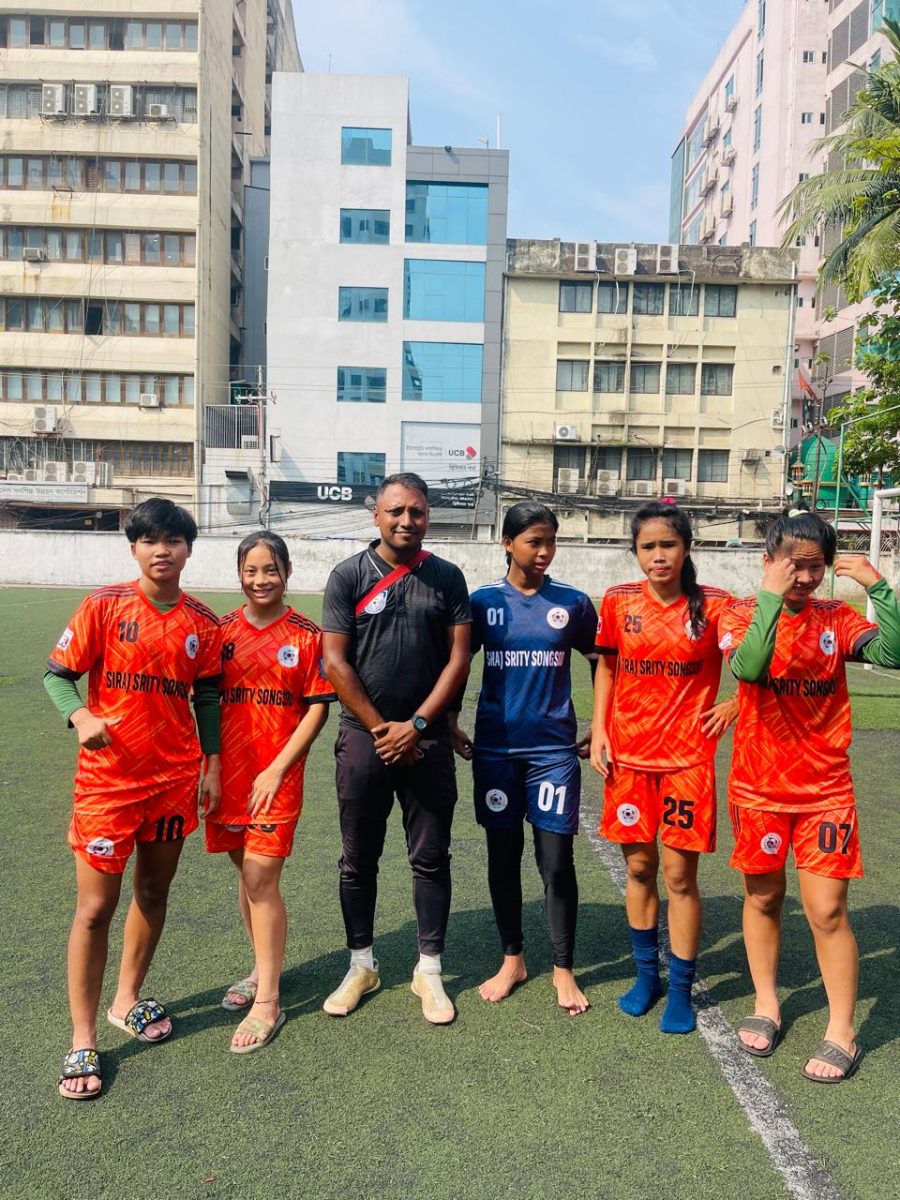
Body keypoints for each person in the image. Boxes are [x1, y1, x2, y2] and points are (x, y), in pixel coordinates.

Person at [44, 498, 221, 1099]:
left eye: (173, 540)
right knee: (95, 908)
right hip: (108, 783)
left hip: (172, 780)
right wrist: (80, 716)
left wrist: (212, 764)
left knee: (153, 891)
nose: (162, 550)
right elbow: (57, 675)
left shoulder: (202, 623)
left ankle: (126, 999)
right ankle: (82, 1038)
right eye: (150, 540)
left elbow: (207, 699)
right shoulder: (104, 605)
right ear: (134, 548)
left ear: (188, 549)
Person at [720, 509, 900, 1082]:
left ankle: (841, 1029)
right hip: (758, 788)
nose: (804, 577)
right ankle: (766, 1002)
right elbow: (750, 669)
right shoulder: (740, 613)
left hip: (825, 790)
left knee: (827, 910)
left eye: (815, 567)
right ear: (768, 561)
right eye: (793, 565)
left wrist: (879, 588)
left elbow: (894, 655)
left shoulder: (836, 618)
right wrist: (770, 599)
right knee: (764, 899)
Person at [321, 473, 471, 1025]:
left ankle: (428, 969)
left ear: (428, 517)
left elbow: (459, 659)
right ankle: (361, 965)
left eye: (417, 512)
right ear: (376, 515)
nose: (407, 520)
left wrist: (420, 723)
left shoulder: (447, 577)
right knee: (358, 859)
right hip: (366, 739)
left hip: (426, 739)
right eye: (396, 511)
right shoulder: (349, 575)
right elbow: (335, 662)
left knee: (430, 857)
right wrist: (385, 729)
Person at [590, 502, 736, 1034]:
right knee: (638, 870)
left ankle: (680, 990)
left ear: (686, 547)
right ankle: (646, 977)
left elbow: (757, 656)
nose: (658, 556)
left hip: (686, 763)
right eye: (647, 546)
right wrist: (600, 730)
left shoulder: (715, 605)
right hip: (628, 760)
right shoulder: (618, 601)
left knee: (679, 876)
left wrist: (737, 702)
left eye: (668, 545)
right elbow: (608, 668)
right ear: (635, 551)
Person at [449, 502, 598, 1014]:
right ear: (508, 543)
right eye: (535, 541)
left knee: (555, 861)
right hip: (496, 750)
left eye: (551, 541)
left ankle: (563, 968)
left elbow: (601, 661)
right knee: (502, 856)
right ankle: (512, 958)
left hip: (553, 752)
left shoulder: (573, 603)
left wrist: (603, 724)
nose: (544, 551)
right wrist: (450, 719)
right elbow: (458, 663)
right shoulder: (483, 602)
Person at [209, 532, 335, 1053]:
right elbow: (206, 702)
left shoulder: (307, 635)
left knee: (261, 876)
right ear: (239, 573)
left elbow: (317, 708)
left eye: (270, 570)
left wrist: (278, 769)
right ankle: (261, 969)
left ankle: (269, 1001)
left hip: (275, 778)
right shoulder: (220, 633)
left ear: (287, 572)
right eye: (251, 570)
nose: (261, 580)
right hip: (227, 776)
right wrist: (209, 766)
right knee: (246, 874)